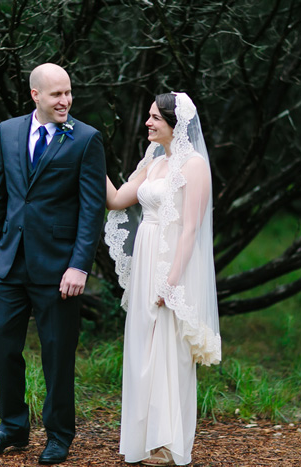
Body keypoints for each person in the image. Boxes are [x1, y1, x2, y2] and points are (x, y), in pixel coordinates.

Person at [0, 63, 106, 465]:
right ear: (35, 96)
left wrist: (79, 265)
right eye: (56, 94)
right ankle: (13, 428)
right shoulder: (8, 131)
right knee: (3, 348)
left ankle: (59, 435)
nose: (65, 101)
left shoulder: (86, 139)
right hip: (9, 263)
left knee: (58, 354)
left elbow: (91, 209)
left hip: (59, 269)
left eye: (68, 93)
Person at [105, 92, 221, 466]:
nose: (148, 123)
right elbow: (117, 199)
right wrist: (88, 157)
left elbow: (191, 229)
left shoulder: (194, 165)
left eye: (155, 118)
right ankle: (144, 441)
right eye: (150, 117)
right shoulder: (153, 161)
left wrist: (170, 282)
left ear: (175, 123)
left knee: (169, 352)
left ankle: (169, 444)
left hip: (173, 265)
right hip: (145, 259)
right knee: (143, 349)